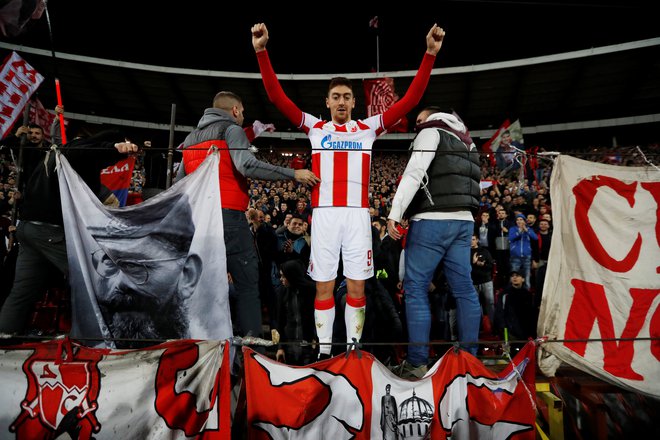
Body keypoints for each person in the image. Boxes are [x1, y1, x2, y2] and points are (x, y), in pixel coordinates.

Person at [252, 21, 445, 358]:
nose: (341, 101)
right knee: (324, 287)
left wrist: (429, 54)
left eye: (346, 97)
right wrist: (261, 51)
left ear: (354, 102)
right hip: (324, 216)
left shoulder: (367, 128)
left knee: (357, 287)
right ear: (327, 102)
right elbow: (275, 96)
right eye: (335, 97)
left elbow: (411, 99)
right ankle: (326, 355)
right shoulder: (314, 127)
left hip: (356, 216)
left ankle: (353, 352)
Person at [179, 91, 319, 341]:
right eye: (242, 112)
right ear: (235, 110)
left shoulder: (189, 139)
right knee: (247, 284)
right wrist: (292, 174)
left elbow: (179, 184)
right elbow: (247, 164)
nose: (242, 116)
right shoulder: (231, 130)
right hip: (229, 218)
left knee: (203, 287)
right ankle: (252, 349)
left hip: (197, 223)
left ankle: (201, 345)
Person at [0, 125, 138, 335]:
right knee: (96, 279)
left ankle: (4, 335)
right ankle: (96, 339)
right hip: (49, 231)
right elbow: (85, 150)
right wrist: (115, 148)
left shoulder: (57, 153)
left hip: (28, 229)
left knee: (22, 291)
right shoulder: (78, 151)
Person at [387, 107, 482, 374]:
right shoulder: (468, 141)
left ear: (430, 117)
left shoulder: (430, 131)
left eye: (419, 120)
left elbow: (415, 173)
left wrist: (396, 213)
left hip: (431, 221)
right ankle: (469, 360)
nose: (416, 125)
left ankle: (417, 362)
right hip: (464, 222)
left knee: (415, 289)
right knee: (464, 288)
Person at [88, 198, 202, 348]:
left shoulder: (207, 361)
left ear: (188, 275)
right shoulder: (84, 360)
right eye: (109, 262)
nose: (120, 282)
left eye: (136, 266)